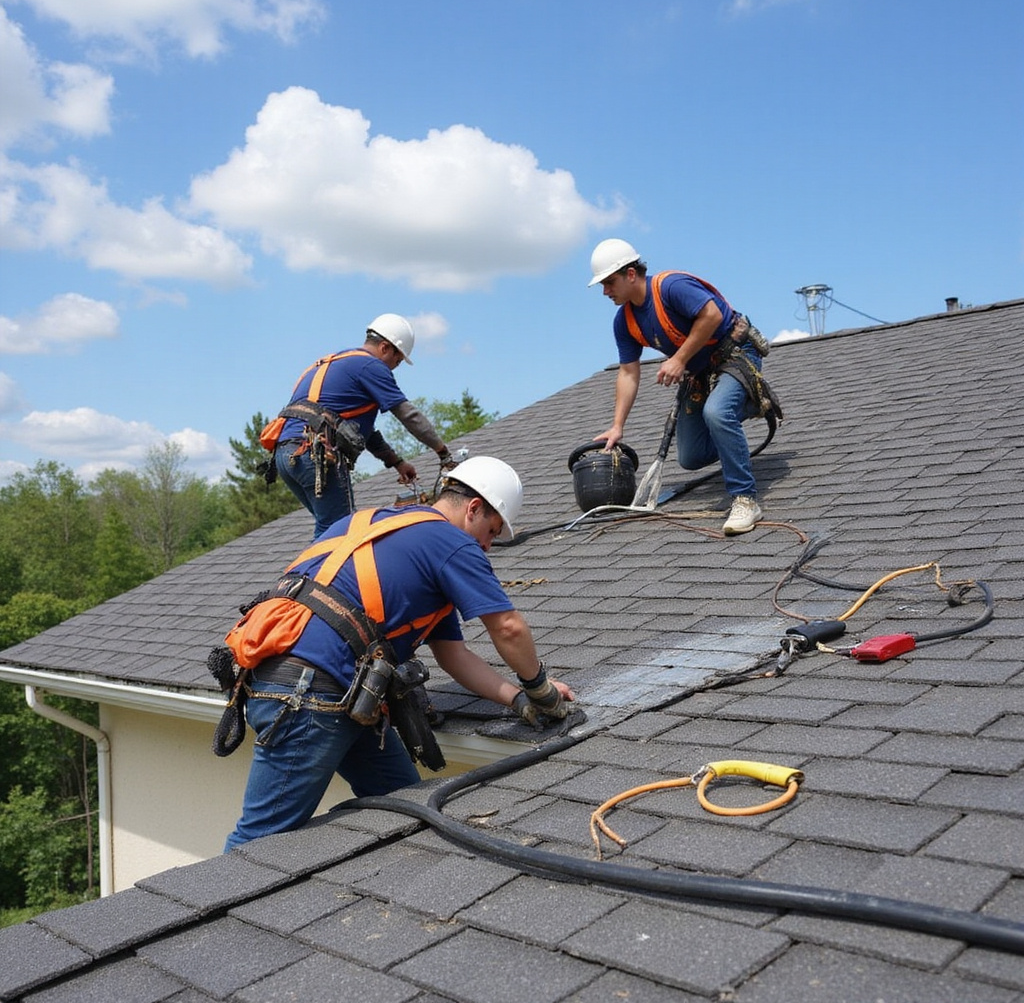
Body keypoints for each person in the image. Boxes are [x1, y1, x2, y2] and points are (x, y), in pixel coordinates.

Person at [224, 456, 576, 849]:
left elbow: (453, 656)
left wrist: (517, 700)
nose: (488, 546)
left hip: (314, 687)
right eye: (491, 531)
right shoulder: (451, 543)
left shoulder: (377, 526)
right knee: (258, 841)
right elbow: (508, 627)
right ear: (474, 508)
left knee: (405, 810)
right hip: (310, 695)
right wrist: (540, 689)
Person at [588, 238, 775, 535]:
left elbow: (712, 315)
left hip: (734, 353)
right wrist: (617, 426)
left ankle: (745, 499)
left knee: (716, 412)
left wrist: (678, 359)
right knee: (691, 456)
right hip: (700, 371)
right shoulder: (624, 322)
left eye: (609, 282)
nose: (605, 291)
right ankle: (747, 407)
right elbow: (628, 373)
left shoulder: (672, 287)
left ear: (631, 274)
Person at [269, 313, 456, 538]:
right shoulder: (371, 366)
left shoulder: (331, 363)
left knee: (330, 528)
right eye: (397, 361)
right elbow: (409, 415)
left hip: (286, 454)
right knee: (342, 532)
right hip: (317, 452)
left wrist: (396, 462)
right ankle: (318, 563)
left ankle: (317, 560)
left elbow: (359, 433)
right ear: (385, 347)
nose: (394, 368)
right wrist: (442, 451)